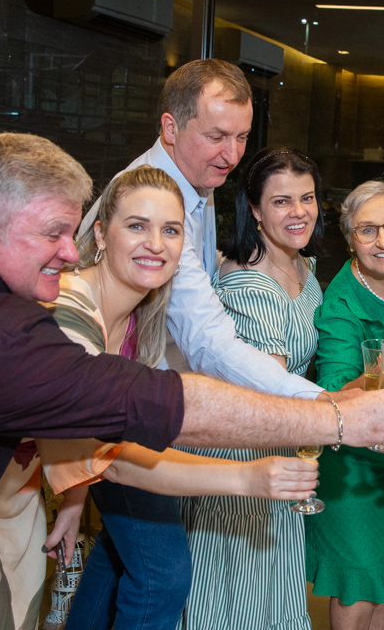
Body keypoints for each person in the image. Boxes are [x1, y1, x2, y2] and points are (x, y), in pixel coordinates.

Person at [0, 133, 384, 630]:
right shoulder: (7, 333)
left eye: (173, 231)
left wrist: (73, 496)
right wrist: (332, 419)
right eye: (53, 233)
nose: (69, 251)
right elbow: (158, 408)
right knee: (160, 575)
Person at [0, 165, 320, 630]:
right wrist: (247, 477)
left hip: (17, 499)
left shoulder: (140, 315)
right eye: (137, 226)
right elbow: (112, 458)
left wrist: (74, 498)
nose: (156, 244)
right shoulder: (69, 312)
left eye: (171, 231)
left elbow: (84, 437)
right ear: (99, 233)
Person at [78, 58, 324, 400]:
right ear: (170, 128)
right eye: (216, 137)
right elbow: (207, 340)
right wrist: (321, 402)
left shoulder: (196, 175)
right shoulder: (151, 199)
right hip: (121, 390)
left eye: (242, 137)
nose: (232, 155)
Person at [174, 148, 325, 630]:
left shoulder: (302, 267)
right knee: (237, 607)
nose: (299, 211)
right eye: (281, 201)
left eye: (307, 198)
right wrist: (343, 409)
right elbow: (268, 395)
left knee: (272, 597)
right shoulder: (250, 285)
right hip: (246, 453)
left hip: (283, 444)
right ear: (255, 210)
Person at [306, 180, 384, 630]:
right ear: (350, 239)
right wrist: (381, 368)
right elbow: (333, 391)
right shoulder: (341, 300)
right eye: (367, 230)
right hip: (355, 462)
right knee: (358, 579)